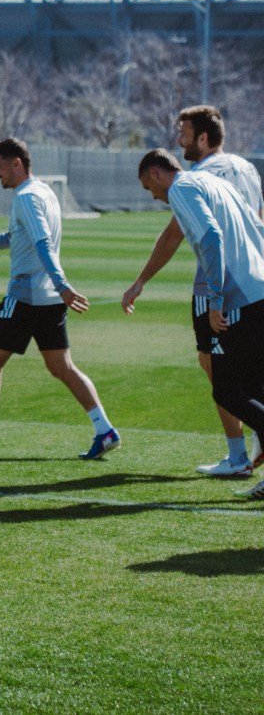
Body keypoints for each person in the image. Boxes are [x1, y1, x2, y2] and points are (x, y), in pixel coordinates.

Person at [0, 138, 120, 459]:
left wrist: (62, 283)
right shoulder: (44, 192)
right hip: (49, 301)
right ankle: (105, 430)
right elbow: (15, 237)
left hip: (25, 298)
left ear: (16, 163)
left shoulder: (27, 198)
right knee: (63, 367)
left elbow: (43, 243)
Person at [122, 106, 264, 478]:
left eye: (147, 186)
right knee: (249, 383)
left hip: (233, 294)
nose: (152, 195)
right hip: (258, 283)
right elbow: (257, 224)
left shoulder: (189, 183)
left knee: (226, 386)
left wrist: (215, 297)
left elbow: (204, 236)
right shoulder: (237, 175)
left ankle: (238, 457)